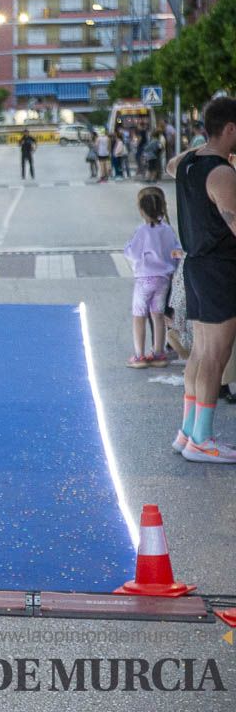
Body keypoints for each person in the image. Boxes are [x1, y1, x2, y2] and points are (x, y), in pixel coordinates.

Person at [167, 96, 236, 464]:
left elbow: (169, 163)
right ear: (230, 129)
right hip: (219, 270)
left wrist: (206, 146)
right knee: (215, 355)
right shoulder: (222, 173)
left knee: (200, 353)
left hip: (195, 267)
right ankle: (203, 440)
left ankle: (189, 431)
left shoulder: (187, 164)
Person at [123, 186, 181, 369]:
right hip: (163, 279)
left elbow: (132, 253)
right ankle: (158, 353)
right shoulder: (168, 230)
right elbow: (176, 253)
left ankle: (139, 356)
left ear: (141, 209)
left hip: (144, 279)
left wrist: (127, 247)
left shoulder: (142, 230)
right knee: (158, 315)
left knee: (139, 315)